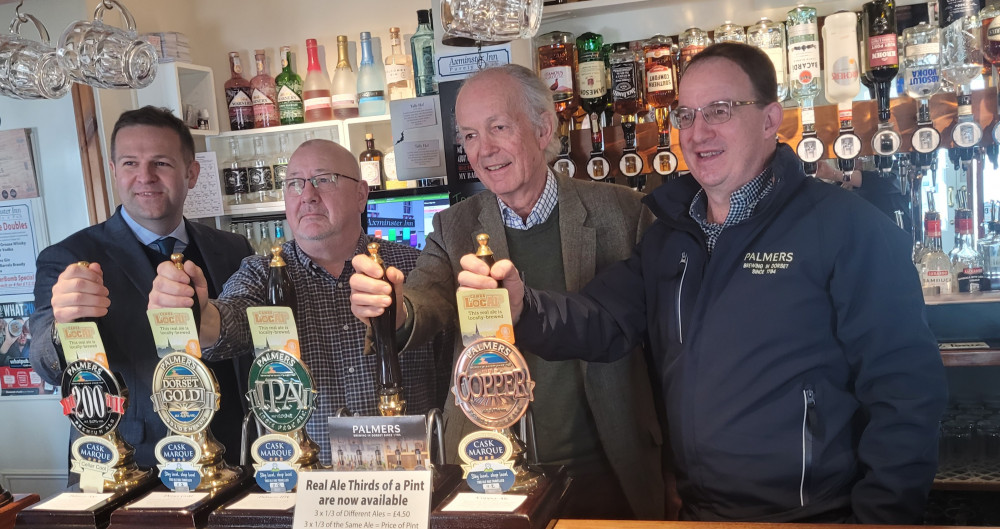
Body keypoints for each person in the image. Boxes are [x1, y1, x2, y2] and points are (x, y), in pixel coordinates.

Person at [457, 43, 948, 524]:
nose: (698, 131)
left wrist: (883, 519)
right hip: (702, 514)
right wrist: (523, 308)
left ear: (770, 119)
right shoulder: (672, 235)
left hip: (813, 515)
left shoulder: (846, 228)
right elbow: (602, 321)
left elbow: (907, 393)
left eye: (720, 110)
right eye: (686, 115)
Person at [350, 64, 665, 520]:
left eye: (498, 127)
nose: (484, 150)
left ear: (542, 128)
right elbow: (426, 305)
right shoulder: (453, 226)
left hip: (606, 470)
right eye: (470, 136)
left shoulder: (624, 212)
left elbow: (661, 342)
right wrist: (393, 309)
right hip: (488, 473)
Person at [148, 139, 448, 467]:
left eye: (324, 179)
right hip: (306, 486)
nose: (307, 195)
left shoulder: (414, 265)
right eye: (294, 184)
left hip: (409, 478)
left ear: (361, 194)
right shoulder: (262, 274)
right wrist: (193, 311)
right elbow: (228, 321)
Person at [30, 106, 254, 471]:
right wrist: (62, 328)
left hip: (237, 457)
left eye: (161, 163)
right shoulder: (69, 257)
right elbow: (45, 363)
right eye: (131, 163)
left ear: (191, 173)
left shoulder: (233, 249)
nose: (145, 177)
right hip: (131, 467)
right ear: (115, 172)